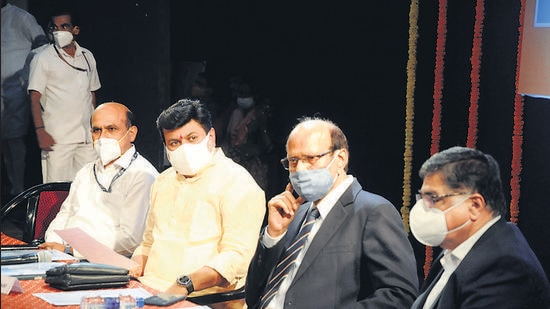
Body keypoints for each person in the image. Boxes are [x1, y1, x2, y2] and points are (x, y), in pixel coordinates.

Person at [245, 117, 419, 308]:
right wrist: (273, 236)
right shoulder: (294, 216)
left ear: (341, 158)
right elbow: (253, 295)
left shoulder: (373, 211)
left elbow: (399, 294)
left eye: (311, 159)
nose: (300, 169)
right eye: (293, 161)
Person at [130, 99, 266, 307]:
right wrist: (134, 267)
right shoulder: (162, 181)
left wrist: (184, 284)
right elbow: (149, 241)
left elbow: (236, 258)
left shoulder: (238, 182)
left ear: (211, 137)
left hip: (201, 299)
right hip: (148, 292)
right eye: (175, 142)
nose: (184, 148)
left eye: (192, 138)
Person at [409, 146, 550, 308]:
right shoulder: (455, 251)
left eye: (433, 198)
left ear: (475, 205)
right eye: (423, 198)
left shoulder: (503, 267)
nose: (423, 208)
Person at [38, 102, 159, 259]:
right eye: (97, 130)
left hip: (109, 262)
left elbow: (130, 239)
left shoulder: (142, 175)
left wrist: (71, 250)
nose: (103, 137)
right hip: (65, 256)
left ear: (131, 133)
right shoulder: (86, 171)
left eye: (111, 129)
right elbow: (66, 214)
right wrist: (53, 245)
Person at [28, 10, 101, 183]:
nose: (58, 31)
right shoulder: (42, 58)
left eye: (64, 26)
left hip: (85, 138)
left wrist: (93, 128)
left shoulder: (87, 56)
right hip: (57, 139)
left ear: (75, 30)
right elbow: (34, 98)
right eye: (55, 27)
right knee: (56, 192)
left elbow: (91, 93)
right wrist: (40, 132)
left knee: (87, 187)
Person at [1, 0, 49, 198]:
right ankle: (10, 188)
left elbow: (42, 44)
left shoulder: (21, 17)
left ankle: (18, 189)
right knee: (4, 141)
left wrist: (26, 76)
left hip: (15, 89)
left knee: (14, 139)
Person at [222, 81, 273, 192]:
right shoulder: (235, 113)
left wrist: (261, 125)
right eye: (240, 93)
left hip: (253, 168)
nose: (242, 97)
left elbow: (268, 147)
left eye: (246, 94)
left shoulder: (260, 115)